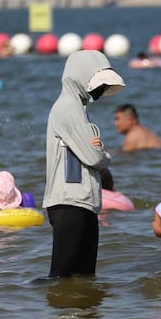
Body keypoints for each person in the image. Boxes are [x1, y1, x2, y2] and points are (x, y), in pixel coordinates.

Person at [43, 50, 126, 278]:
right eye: (98, 85)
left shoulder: (78, 109)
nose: (99, 91)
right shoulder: (69, 108)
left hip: (81, 203)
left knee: (84, 276)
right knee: (62, 275)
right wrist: (104, 156)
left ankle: (84, 313)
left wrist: (97, 151)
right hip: (70, 203)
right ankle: (54, 310)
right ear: (79, 79)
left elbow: (89, 152)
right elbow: (94, 157)